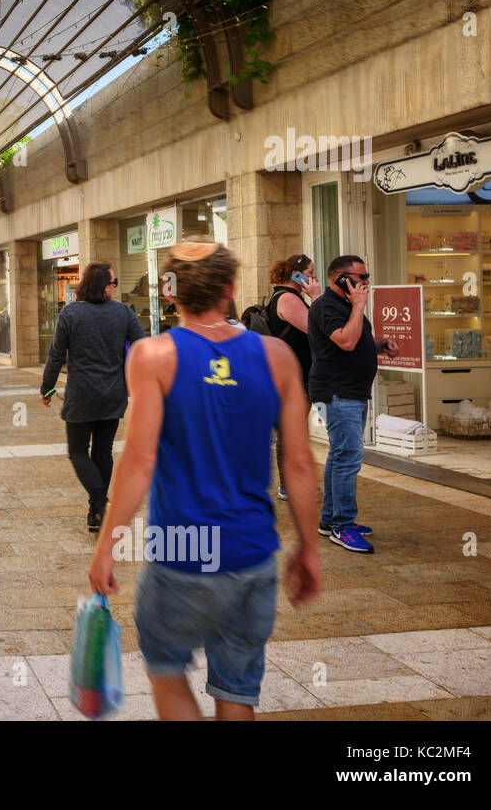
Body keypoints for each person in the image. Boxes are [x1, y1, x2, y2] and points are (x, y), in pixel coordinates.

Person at [88, 242, 322, 720]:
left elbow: (138, 461)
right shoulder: (277, 357)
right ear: (232, 290)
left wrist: (106, 545)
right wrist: (310, 548)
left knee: (167, 669)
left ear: (169, 294)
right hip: (253, 553)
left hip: (181, 550)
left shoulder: (153, 356)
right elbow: (298, 465)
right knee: (237, 690)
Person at [40, 262, 143, 531]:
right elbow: (143, 345)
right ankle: (96, 511)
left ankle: (98, 501)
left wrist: (47, 388)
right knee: (102, 451)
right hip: (112, 394)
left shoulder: (70, 313)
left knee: (77, 451)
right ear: (102, 285)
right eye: (113, 283)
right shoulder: (122, 312)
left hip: (81, 395)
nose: (114, 287)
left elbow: (55, 354)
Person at [309, 255, 399, 553]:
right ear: (341, 279)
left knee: (340, 456)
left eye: (366, 276)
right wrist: (359, 305)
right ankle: (342, 526)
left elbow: (357, 340)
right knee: (349, 457)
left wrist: (379, 345)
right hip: (337, 392)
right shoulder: (326, 305)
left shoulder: (347, 306)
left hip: (352, 391)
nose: (366, 282)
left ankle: (329, 520)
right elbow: (345, 341)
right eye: (361, 277)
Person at [266, 254, 322, 500]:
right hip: (294, 377)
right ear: (295, 274)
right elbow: (317, 328)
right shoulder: (287, 299)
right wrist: (316, 297)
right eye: (309, 273)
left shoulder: (288, 296)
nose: (314, 277)